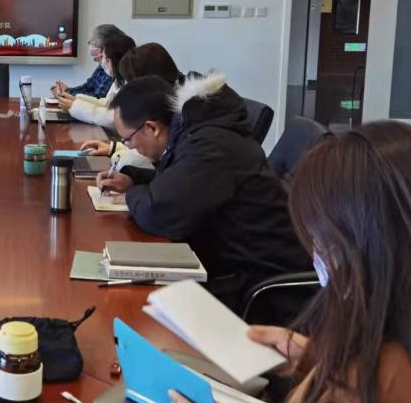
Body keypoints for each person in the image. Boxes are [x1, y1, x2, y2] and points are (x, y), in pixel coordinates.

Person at [170, 122, 411, 403]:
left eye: (321, 239)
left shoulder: (383, 401)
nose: (316, 255)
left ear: (362, 245)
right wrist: (318, 360)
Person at [96, 74, 309, 311]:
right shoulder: (197, 133)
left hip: (259, 284)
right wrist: (133, 180)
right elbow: (181, 185)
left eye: (129, 140)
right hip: (231, 263)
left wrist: (130, 195)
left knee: (135, 307)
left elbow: (159, 213)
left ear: (152, 128)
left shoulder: (209, 146)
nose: (133, 148)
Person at [80, 42, 185, 166]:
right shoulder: (176, 96)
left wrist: (118, 156)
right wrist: (113, 148)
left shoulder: (182, 117)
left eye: (130, 81)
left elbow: (158, 154)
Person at [55, 34, 136, 128]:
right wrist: (75, 99)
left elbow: (113, 118)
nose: (102, 60)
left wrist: (75, 106)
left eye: (104, 57)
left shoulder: (131, 85)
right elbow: (106, 104)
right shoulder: (120, 79)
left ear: (110, 61)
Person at [50, 24, 127, 98]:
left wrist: (67, 92)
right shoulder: (102, 65)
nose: (89, 42)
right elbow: (88, 87)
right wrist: (67, 91)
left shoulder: (113, 68)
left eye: (93, 42)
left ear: (102, 48)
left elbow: (98, 97)